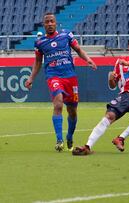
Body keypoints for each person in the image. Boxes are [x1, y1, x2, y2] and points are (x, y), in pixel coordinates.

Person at [72, 35, 129, 155]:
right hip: (126, 96)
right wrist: (111, 78)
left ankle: (121, 138)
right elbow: (113, 85)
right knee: (109, 116)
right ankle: (88, 146)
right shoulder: (120, 62)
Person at [25, 13, 97, 152]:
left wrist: (88, 59)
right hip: (53, 76)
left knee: (72, 112)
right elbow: (38, 62)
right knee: (58, 103)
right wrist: (31, 78)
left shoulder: (66, 35)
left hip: (70, 77)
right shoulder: (40, 43)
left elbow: (78, 50)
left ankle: (69, 136)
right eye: (47, 22)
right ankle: (59, 140)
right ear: (44, 24)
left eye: (52, 21)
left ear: (56, 23)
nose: (50, 24)